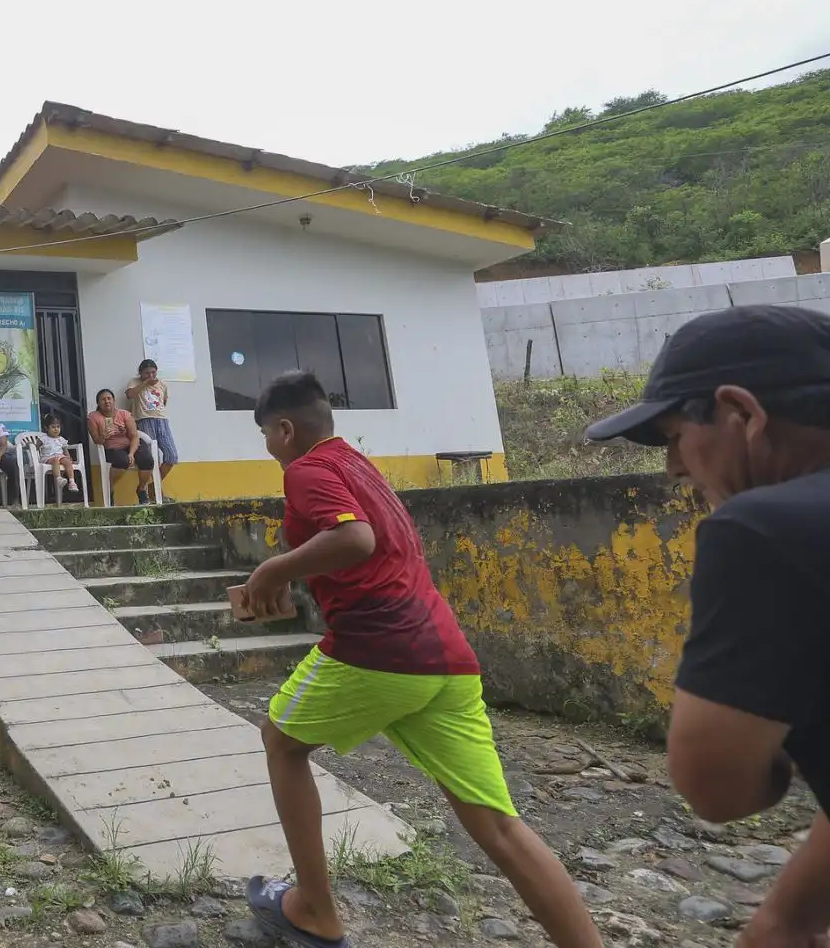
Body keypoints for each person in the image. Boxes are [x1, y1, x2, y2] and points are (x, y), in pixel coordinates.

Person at [242, 370, 600, 948]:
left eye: (265, 436)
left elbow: (355, 539)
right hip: (445, 655)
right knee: (500, 826)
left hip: (379, 647)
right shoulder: (356, 464)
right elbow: (365, 548)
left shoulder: (306, 469)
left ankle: (313, 908)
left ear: (285, 429)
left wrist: (271, 569)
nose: (266, 449)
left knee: (282, 743)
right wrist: (293, 577)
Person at [586, 304, 830, 948]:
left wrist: (777, 761)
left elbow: (719, 786)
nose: (672, 467)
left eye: (672, 437)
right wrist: (787, 919)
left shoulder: (761, 529)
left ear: (741, 414)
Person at [87, 388, 155, 503]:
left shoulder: (124, 414)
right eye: (103, 399)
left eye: (109, 398)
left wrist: (131, 453)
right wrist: (103, 436)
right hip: (112, 447)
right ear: (98, 403)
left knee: (147, 459)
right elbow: (96, 440)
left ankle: (142, 489)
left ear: (114, 401)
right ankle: (110, 488)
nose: (107, 401)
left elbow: (134, 435)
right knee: (122, 461)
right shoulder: (93, 417)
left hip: (131, 444)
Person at [126, 358, 178, 493]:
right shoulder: (135, 382)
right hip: (144, 420)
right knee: (152, 458)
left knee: (171, 456)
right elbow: (130, 395)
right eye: (147, 373)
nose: (151, 376)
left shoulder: (163, 384)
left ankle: (153, 486)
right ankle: (155, 491)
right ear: (141, 373)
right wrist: (146, 383)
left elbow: (163, 401)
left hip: (162, 421)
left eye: (153, 373)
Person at [29, 411, 82, 501]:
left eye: (58, 427)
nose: (56, 429)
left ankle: (72, 482)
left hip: (60, 456)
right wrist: (30, 445)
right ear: (46, 428)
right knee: (55, 460)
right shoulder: (43, 438)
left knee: (67, 461)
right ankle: (58, 478)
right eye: (53, 427)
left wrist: (68, 457)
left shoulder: (61, 439)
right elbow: (36, 448)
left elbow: (65, 451)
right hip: (47, 458)